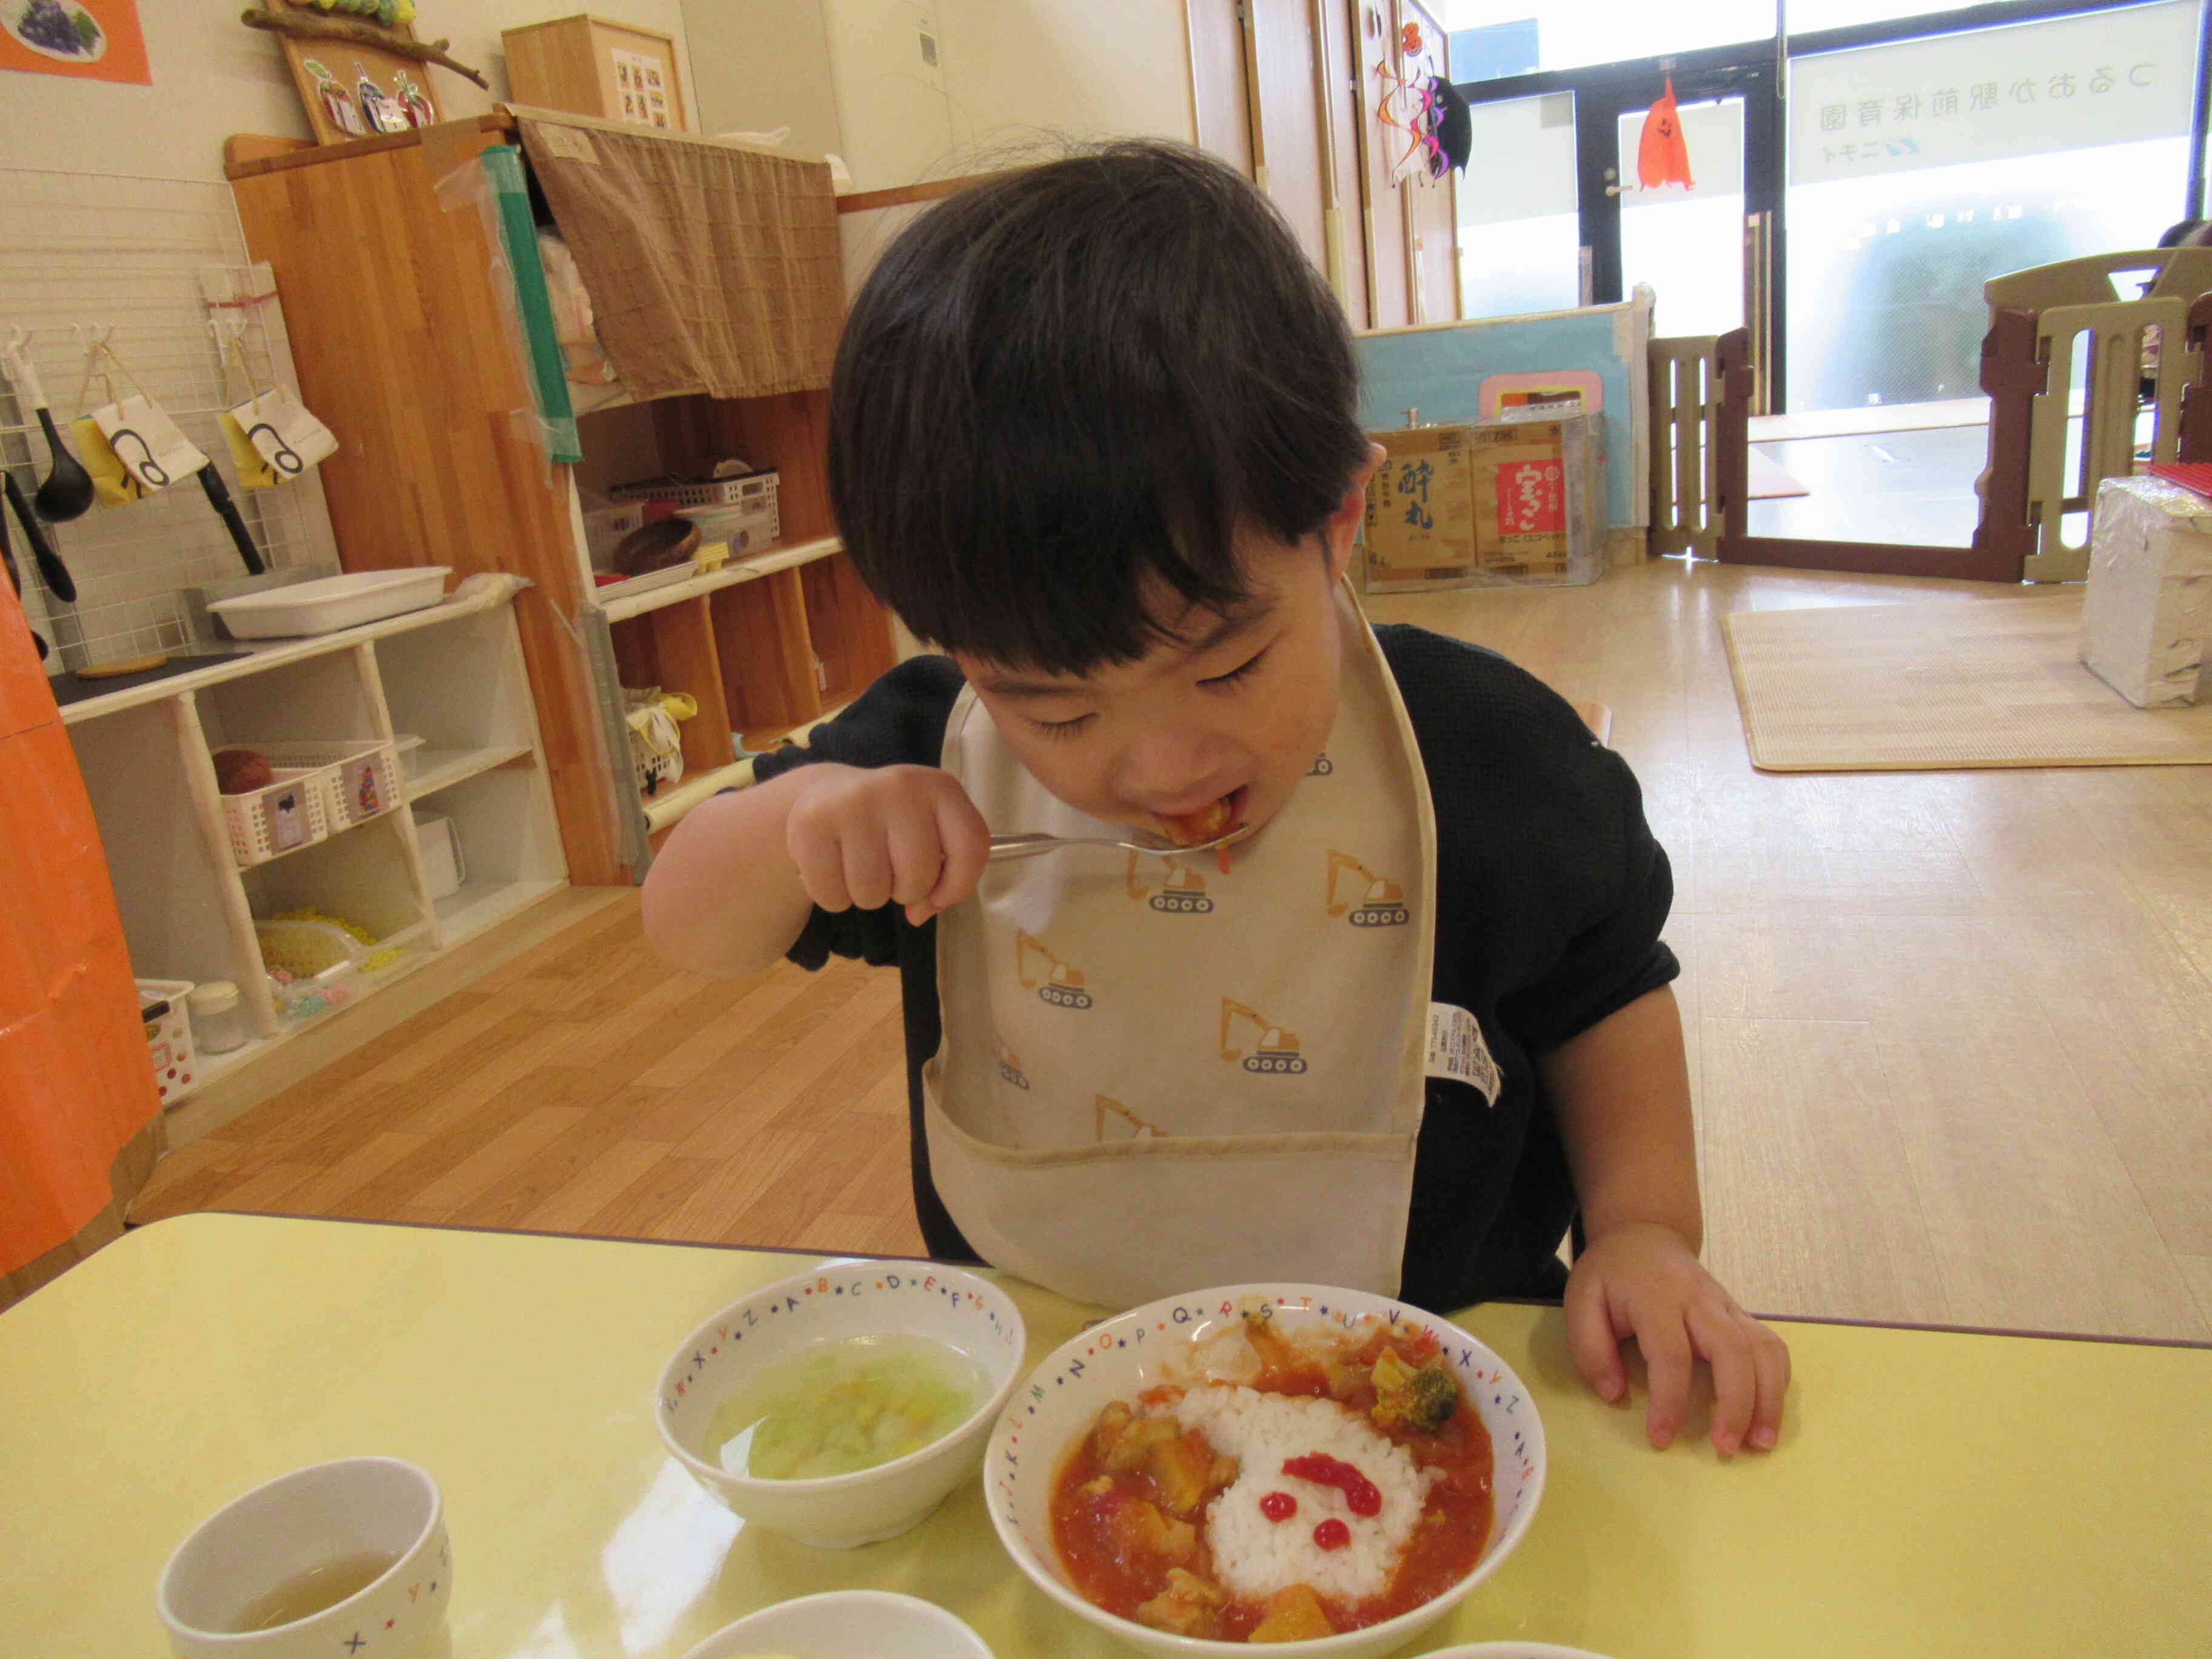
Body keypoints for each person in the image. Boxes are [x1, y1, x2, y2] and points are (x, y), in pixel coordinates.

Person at [645, 141, 1789, 1456]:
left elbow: (1607, 997)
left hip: (1449, 1382)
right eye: (1059, 710)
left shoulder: (1482, 755)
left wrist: (1643, 1234)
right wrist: (804, 828)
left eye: (1230, 664)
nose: (1163, 766)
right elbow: (684, 921)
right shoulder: (933, 758)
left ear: (1339, 521)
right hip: (1052, 1390)